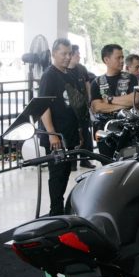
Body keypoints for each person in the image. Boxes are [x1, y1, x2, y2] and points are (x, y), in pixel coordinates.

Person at [38, 38, 81, 216]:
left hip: (69, 133)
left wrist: (79, 131)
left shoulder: (70, 74)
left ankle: (60, 209)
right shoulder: (49, 75)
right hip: (56, 136)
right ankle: (55, 212)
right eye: (63, 53)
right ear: (54, 54)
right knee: (57, 174)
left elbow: (75, 104)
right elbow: (43, 106)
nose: (67, 57)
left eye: (69, 53)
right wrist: (52, 134)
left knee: (65, 172)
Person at [67, 45, 95, 170]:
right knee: (72, 134)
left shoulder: (81, 68)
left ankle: (85, 160)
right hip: (70, 109)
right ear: (71, 55)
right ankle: (72, 162)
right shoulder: (64, 71)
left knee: (85, 133)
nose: (79, 56)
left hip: (83, 107)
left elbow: (87, 83)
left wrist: (89, 99)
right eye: (77, 54)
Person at [91, 44, 138, 115]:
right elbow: (97, 107)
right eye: (118, 58)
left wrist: (109, 100)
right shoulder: (97, 82)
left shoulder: (131, 78)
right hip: (106, 122)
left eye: (122, 57)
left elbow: (135, 99)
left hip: (129, 121)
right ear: (106, 60)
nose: (122, 61)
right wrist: (124, 106)